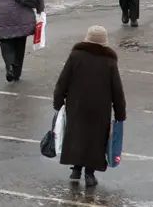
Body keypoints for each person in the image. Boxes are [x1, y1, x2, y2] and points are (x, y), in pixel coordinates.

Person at [53, 25, 127, 188]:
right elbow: (117, 90)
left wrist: (58, 101)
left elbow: (62, 81)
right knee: (95, 140)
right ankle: (89, 174)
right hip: (99, 108)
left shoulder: (76, 56)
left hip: (77, 105)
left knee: (77, 136)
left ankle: (76, 170)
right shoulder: (109, 61)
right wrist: (120, 113)